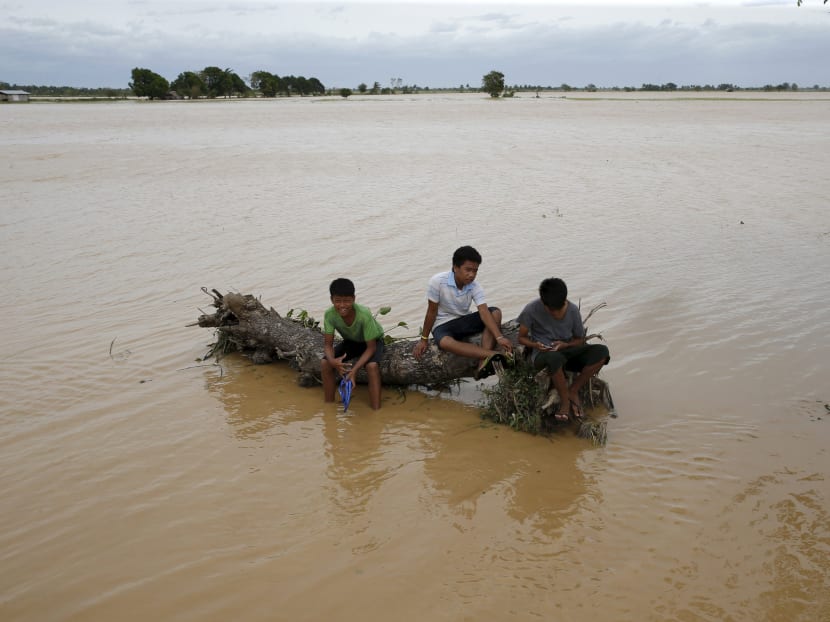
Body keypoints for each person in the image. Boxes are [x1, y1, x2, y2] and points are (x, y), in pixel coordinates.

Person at [412, 245, 513, 379]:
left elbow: (483, 311)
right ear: (455, 267)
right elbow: (431, 311)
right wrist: (423, 340)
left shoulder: (475, 286)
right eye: (468, 270)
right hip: (443, 324)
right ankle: (491, 355)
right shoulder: (437, 281)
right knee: (445, 342)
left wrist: (499, 337)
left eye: (475, 271)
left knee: (495, 312)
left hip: (463, 320)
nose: (471, 274)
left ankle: (483, 362)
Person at [517, 277, 610, 420]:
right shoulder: (531, 309)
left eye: (559, 309)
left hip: (566, 351)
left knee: (602, 351)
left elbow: (579, 340)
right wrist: (535, 345)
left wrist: (566, 345)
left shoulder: (572, 310)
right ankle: (565, 401)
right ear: (543, 303)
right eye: (551, 310)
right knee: (555, 358)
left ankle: (574, 390)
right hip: (543, 354)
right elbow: (521, 338)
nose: (556, 314)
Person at [321, 278, 384, 410]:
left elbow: (371, 348)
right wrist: (333, 362)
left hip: (372, 342)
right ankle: (328, 405)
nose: (342, 305)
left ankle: (376, 411)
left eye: (347, 301)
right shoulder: (329, 315)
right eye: (338, 301)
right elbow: (328, 345)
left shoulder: (363, 314)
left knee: (372, 366)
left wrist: (354, 371)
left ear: (354, 299)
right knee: (325, 363)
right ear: (332, 300)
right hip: (351, 341)